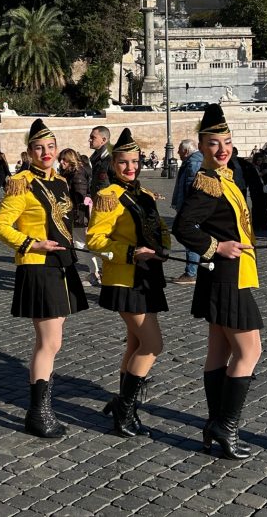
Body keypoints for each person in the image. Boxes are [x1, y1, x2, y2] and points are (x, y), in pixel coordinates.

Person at [172, 104, 262, 460]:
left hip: (225, 275)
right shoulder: (209, 183)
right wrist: (216, 246)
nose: (222, 149)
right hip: (227, 275)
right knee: (250, 351)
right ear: (201, 146)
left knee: (219, 350)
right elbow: (182, 226)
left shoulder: (226, 177)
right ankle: (227, 425)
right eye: (213, 143)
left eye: (226, 141)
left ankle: (214, 423)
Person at [0, 119, 89, 438]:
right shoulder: (21, 183)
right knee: (48, 342)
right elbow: (0, 225)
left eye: (50, 146)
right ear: (29, 151)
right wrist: (32, 243)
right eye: (38, 148)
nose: (45, 152)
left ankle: (42, 408)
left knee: (54, 341)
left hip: (62, 265)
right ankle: (38, 412)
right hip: (38, 265)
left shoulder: (59, 181)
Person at [87, 128, 169, 437]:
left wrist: (163, 249)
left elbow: (160, 228)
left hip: (149, 276)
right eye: (123, 162)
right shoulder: (107, 197)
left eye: (135, 162)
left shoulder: (144, 194)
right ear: (113, 164)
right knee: (153, 344)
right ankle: (124, 408)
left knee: (136, 343)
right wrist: (131, 252)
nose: (130, 167)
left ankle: (125, 405)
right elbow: (95, 240)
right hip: (125, 278)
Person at [171, 140, 203, 284]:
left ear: (186, 150)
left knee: (190, 239)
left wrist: (187, 210)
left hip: (190, 210)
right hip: (190, 208)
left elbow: (193, 189)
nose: (177, 152)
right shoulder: (191, 161)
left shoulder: (193, 163)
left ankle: (191, 273)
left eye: (179, 149)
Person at [58, 149, 89, 230]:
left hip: (78, 217)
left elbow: (81, 197)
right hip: (73, 214)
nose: (61, 162)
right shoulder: (68, 173)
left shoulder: (77, 174)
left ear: (70, 160)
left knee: (78, 238)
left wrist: (78, 219)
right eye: (60, 159)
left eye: (64, 159)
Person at [252, 154, 267, 234]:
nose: (259, 162)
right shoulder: (252, 167)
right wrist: (258, 174)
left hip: (265, 189)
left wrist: (265, 174)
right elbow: (250, 178)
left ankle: (265, 225)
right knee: (256, 207)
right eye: (257, 160)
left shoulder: (266, 166)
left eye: (260, 160)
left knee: (263, 207)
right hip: (255, 189)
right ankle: (256, 225)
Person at [89, 126, 112, 199]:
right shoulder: (94, 158)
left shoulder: (111, 159)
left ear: (103, 140)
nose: (89, 140)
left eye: (93, 137)